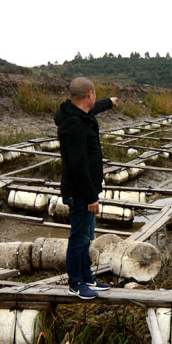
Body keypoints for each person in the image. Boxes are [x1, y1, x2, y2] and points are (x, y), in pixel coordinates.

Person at [54, 77, 117, 299]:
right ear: (89, 94)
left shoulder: (79, 115)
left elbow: (94, 109)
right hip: (80, 192)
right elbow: (77, 165)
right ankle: (75, 282)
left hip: (87, 189)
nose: (95, 99)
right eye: (95, 95)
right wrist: (91, 197)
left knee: (87, 236)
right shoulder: (74, 125)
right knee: (79, 237)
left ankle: (87, 276)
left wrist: (108, 102)